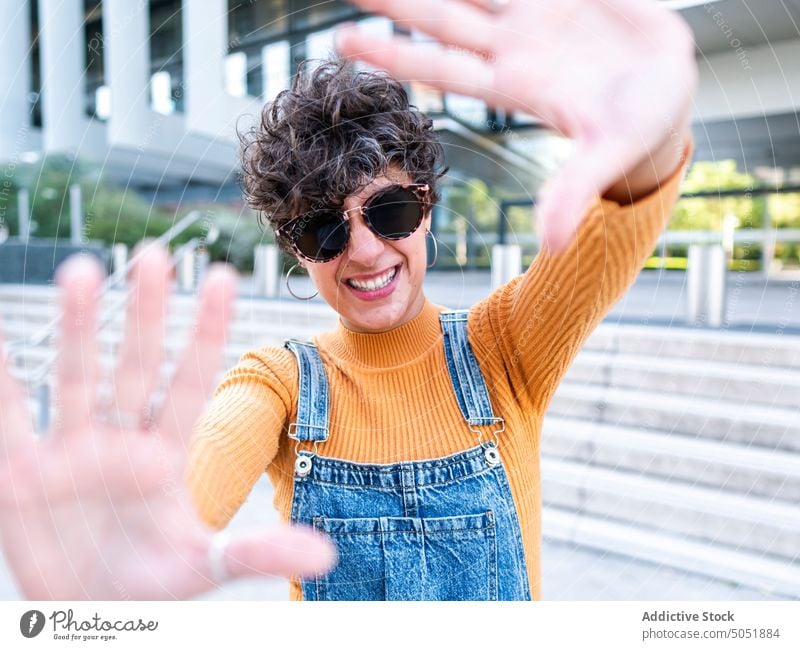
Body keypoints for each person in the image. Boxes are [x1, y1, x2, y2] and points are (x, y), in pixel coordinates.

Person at [0, 0, 696, 600]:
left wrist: (654, 129)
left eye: (389, 210)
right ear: (296, 248)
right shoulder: (278, 384)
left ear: (427, 207)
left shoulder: (506, 348)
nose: (364, 250)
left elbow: (617, 222)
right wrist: (108, 572)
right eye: (325, 227)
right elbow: (202, 473)